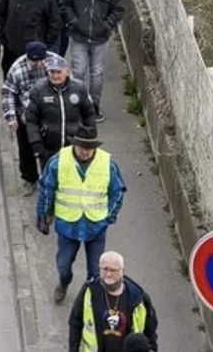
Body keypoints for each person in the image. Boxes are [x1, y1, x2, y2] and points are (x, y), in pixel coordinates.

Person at [35, 129, 127, 304]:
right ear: (75, 144)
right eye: (82, 147)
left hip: (96, 226)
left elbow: (118, 192)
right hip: (68, 225)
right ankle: (63, 283)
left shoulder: (107, 164)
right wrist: (43, 215)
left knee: (95, 271)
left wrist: (108, 217)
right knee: (63, 266)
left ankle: (89, 299)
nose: (85, 151)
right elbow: (46, 188)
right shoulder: (58, 162)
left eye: (89, 148)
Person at [60, 0, 124, 122]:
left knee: (97, 74)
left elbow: (118, 9)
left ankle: (93, 106)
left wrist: (106, 25)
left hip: (100, 39)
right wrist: (74, 22)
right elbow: (64, 4)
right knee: (78, 72)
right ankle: (77, 105)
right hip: (79, 37)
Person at [68, 252, 159, 352]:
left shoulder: (138, 297)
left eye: (113, 270)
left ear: (122, 271)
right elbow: (75, 322)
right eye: (105, 269)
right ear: (99, 269)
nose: (108, 274)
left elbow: (150, 331)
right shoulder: (89, 291)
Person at [25, 54, 96, 176]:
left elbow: (89, 113)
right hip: (48, 148)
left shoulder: (79, 88)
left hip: (75, 147)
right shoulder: (38, 90)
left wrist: (90, 136)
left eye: (59, 72)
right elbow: (31, 120)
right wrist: (37, 145)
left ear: (67, 72)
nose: (55, 75)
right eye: (52, 72)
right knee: (49, 183)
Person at [1, 41, 58, 194]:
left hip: (50, 115)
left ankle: (50, 180)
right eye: (35, 61)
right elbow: (8, 93)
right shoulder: (17, 69)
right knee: (26, 149)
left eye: (41, 60)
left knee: (50, 149)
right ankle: (29, 178)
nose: (39, 64)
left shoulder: (55, 63)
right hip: (27, 116)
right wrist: (11, 117)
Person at [0, 0, 61, 75]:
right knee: (9, 72)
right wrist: (1, 34)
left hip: (34, 48)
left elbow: (55, 22)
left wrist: (45, 43)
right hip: (11, 46)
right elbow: (0, 14)